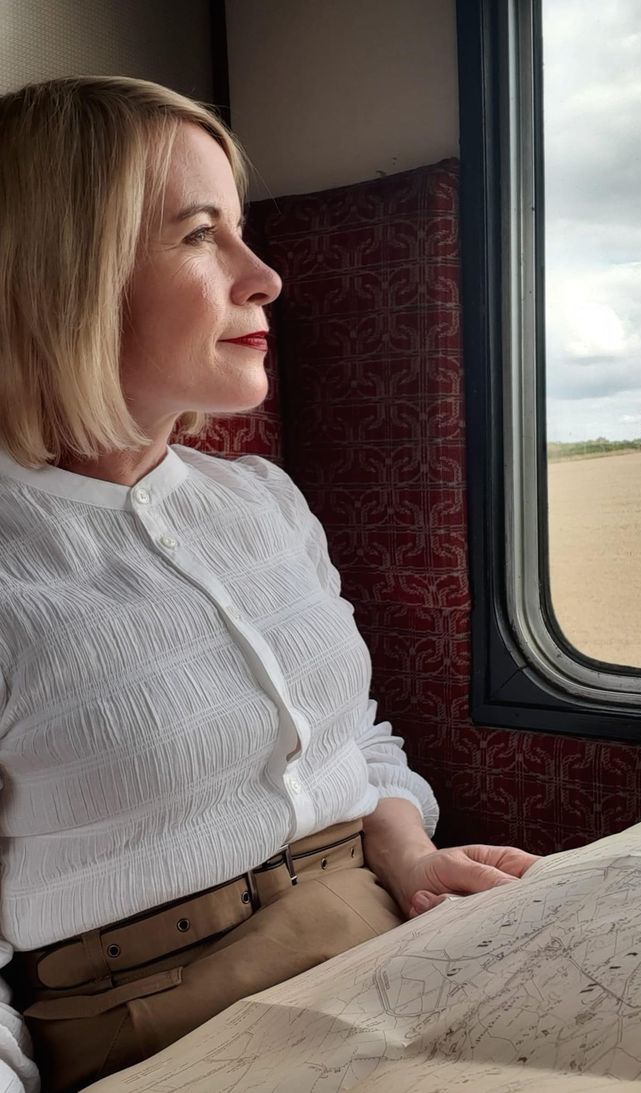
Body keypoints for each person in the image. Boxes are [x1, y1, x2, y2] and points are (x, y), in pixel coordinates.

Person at [0, 76, 539, 1092]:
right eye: (203, 234)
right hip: (163, 1031)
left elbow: (354, 742)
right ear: (59, 274)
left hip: (383, 937)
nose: (266, 278)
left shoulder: (259, 500)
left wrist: (415, 860)